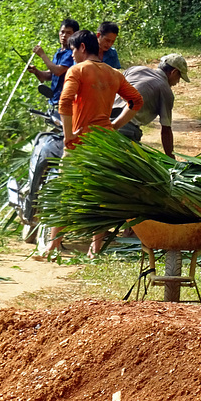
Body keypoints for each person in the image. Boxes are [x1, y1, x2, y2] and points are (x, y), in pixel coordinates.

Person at [45, 30, 144, 257]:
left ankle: (53, 244)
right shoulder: (113, 73)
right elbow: (136, 101)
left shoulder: (77, 70)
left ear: (81, 48)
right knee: (97, 193)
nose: (71, 56)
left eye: (72, 51)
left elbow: (65, 102)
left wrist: (68, 135)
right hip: (104, 142)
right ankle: (96, 247)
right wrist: (114, 126)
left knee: (65, 190)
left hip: (80, 142)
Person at [112, 53, 191, 158]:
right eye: (179, 77)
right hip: (125, 130)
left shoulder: (135, 69)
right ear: (174, 72)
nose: (178, 82)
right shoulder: (165, 91)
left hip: (103, 122)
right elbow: (166, 130)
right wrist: (171, 159)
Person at [27, 18, 79, 108]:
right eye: (62, 32)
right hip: (54, 100)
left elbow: (58, 71)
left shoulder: (72, 53)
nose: (64, 35)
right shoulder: (59, 53)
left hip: (65, 102)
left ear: (75, 35)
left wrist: (43, 55)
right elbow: (50, 75)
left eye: (68, 33)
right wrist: (36, 71)